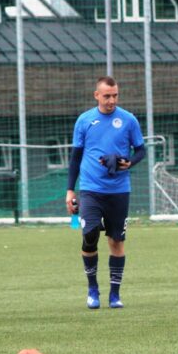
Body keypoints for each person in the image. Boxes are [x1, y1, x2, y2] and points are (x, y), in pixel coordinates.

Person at [66, 76, 146, 310]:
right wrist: (70, 190)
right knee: (90, 234)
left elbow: (141, 150)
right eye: (107, 96)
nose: (111, 100)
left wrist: (129, 163)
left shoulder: (128, 120)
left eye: (115, 96)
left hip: (119, 190)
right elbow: (75, 158)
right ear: (97, 95)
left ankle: (114, 294)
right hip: (90, 189)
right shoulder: (84, 120)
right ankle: (92, 290)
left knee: (116, 241)